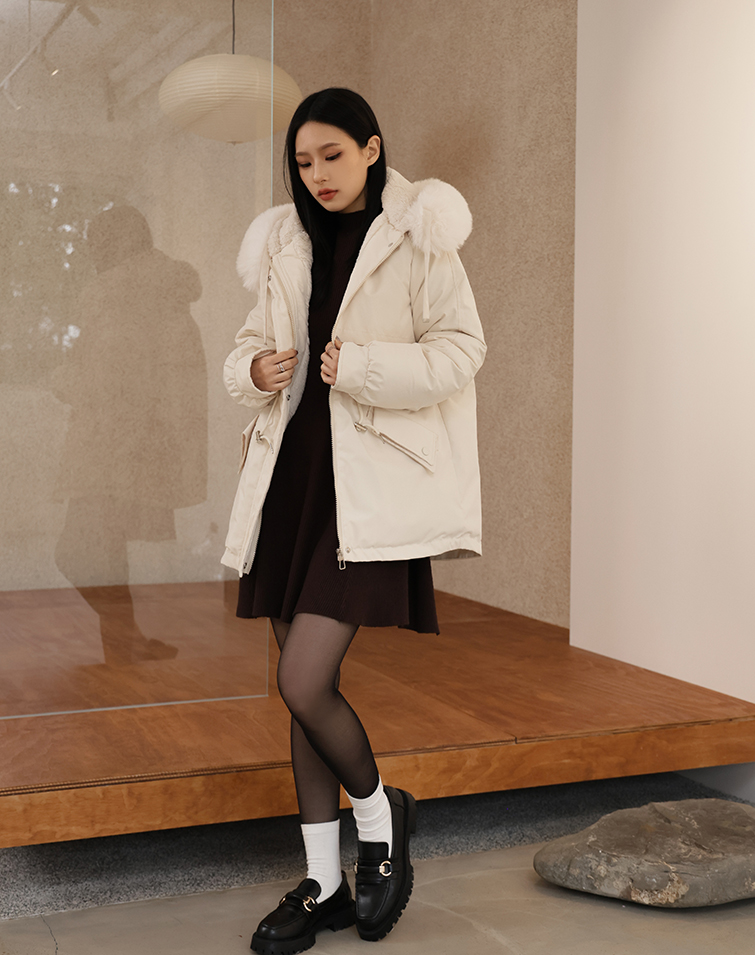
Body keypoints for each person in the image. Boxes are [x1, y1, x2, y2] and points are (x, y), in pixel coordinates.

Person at [222, 88, 486, 954]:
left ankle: (380, 821)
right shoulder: (285, 241)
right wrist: (254, 369)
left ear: (372, 148)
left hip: (365, 489)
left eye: (332, 155)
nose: (317, 174)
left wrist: (364, 366)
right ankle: (324, 882)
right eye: (303, 162)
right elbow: (244, 348)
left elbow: (461, 350)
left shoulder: (420, 233)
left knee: (304, 681)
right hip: (290, 484)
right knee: (301, 693)